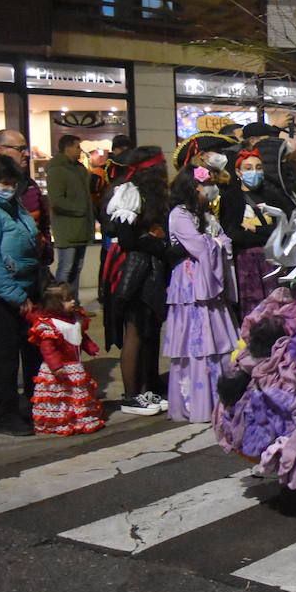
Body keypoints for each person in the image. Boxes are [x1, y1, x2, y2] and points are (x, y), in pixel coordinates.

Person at [101, 146, 176, 416]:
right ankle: (131, 395)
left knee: (148, 331)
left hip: (151, 269)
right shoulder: (129, 193)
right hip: (133, 270)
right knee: (134, 331)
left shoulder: (150, 196)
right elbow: (129, 238)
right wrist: (159, 244)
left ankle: (147, 388)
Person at [163, 162, 237, 422]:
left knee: (216, 338)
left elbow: (221, 240)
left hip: (208, 282)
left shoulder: (204, 214)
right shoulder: (179, 214)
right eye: (208, 184)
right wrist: (216, 241)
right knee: (195, 341)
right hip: (190, 283)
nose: (212, 189)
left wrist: (216, 241)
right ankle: (196, 403)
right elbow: (199, 246)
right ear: (195, 186)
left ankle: (220, 398)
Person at [0, 153, 42, 435]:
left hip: (24, 285)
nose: (10, 189)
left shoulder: (9, 204)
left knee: (26, 350)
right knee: (2, 356)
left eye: (13, 184)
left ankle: (27, 405)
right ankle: (4, 414)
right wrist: (15, 295)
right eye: (5, 184)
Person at [219, 148, 292, 319]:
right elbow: (233, 234)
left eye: (259, 167)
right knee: (253, 310)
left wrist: (255, 229)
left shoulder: (273, 195)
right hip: (246, 264)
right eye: (249, 168)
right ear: (238, 172)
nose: (255, 172)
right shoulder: (231, 198)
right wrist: (267, 235)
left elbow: (285, 228)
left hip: (274, 260)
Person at [27, 281, 103, 436]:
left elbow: (82, 338)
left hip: (74, 367)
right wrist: (55, 366)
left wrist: (91, 348)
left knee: (75, 395)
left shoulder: (76, 319)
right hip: (59, 368)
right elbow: (48, 348)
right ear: (55, 305)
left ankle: (78, 419)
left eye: (72, 298)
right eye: (68, 299)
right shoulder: (50, 325)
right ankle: (60, 421)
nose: (73, 301)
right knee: (60, 397)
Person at [0, 128, 52, 268]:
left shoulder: (30, 185)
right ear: (0, 150)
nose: (27, 154)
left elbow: (43, 223)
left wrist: (46, 250)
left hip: (33, 267)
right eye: (21, 149)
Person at [46, 134, 97, 294]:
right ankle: (60, 305)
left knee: (77, 267)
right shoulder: (58, 170)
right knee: (66, 268)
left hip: (81, 227)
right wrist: (81, 209)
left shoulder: (78, 169)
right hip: (67, 229)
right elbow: (57, 200)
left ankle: (74, 304)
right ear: (67, 148)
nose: (80, 150)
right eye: (77, 147)